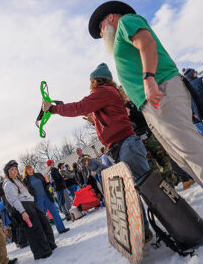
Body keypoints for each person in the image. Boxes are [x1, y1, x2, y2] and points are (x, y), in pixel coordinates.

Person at [88, 1, 203, 261]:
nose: (101, 34)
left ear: (110, 17)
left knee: (196, 158)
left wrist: (148, 78)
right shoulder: (121, 35)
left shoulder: (125, 22)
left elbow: (146, 41)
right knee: (187, 162)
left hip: (160, 92)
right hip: (153, 103)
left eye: (100, 28)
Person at [42, 63, 152, 241]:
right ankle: (145, 232)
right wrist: (96, 122)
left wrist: (53, 109)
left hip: (126, 146)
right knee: (134, 192)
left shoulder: (103, 92)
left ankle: (175, 221)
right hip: (122, 147)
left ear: (95, 80)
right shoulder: (108, 93)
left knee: (147, 189)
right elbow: (112, 121)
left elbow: (79, 107)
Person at [3, 160, 56, 260]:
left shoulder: (17, 180)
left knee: (45, 224)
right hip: (24, 206)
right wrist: (23, 212)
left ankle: (50, 245)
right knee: (35, 230)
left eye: (15, 169)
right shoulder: (8, 184)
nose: (15, 171)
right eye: (12, 169)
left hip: (31, 204)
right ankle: (42, 252)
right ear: (8, 172)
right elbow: (14, 200)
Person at [22, 165, 70, 234]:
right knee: (41, 217)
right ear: (25, 171)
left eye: (30, 168)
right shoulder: (25, 180)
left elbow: (45, 184)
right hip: (37, 199)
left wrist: (47, 183)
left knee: (55, 212)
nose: (30, 169)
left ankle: (61, 229)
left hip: (46, 196)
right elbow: (27, 192)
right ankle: (46, 234)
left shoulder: (38, 175)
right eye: (28, 169)